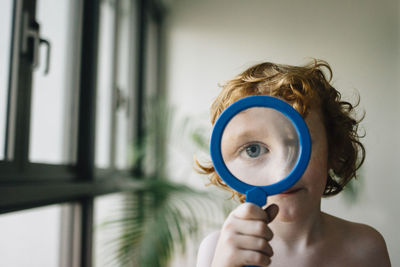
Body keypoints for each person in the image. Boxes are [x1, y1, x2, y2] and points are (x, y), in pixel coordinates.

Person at [195, 60, 391, 267]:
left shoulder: (366, 248)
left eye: (298, 143)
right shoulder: (215, 251)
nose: (283, 170)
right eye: (253, 150)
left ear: (333, 150)